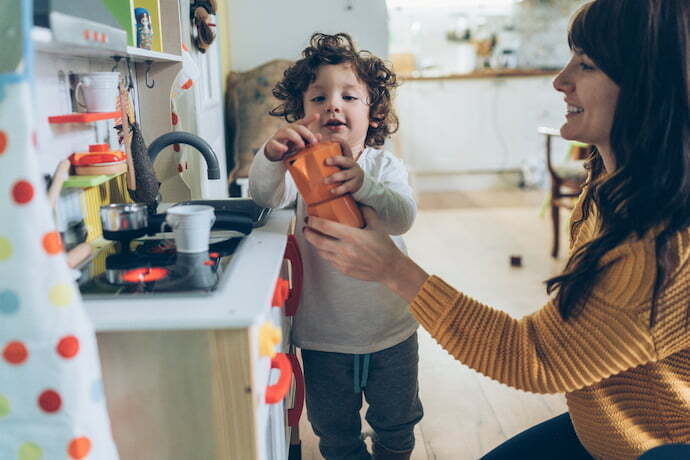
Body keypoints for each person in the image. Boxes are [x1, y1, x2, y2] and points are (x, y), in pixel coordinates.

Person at [302, 1, 690, 459]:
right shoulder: (608, 186)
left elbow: (536, 358)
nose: (559, 80)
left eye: (585, 64)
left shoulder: (662, 247)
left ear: (648, 86)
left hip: (656, 445)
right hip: (605, 428)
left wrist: (393, 269)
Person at [248, 33, 422, 460]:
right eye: (318, 98)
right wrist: (271, 158)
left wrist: (365, 185)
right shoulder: (299, 169)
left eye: (349, 95)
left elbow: (402, 217)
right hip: (325, 334)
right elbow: (263, 198)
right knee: (335, 433)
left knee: (398, 425)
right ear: (301, 114)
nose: (332, 105)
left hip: (392, 328)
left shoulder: (383, 166)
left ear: (374, 112)